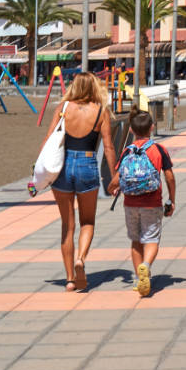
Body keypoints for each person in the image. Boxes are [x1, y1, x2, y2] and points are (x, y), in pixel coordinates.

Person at [48, 74, 118, 292]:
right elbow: (108, 147)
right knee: (87, 221)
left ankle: (69, 279)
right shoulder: (100, 111)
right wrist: (114, 175)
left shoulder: (63, 107)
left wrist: (38, 172)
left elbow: (50, 139)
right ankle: (81, 258)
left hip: (63, 165)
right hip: (87, 165)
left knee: (67, 226)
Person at [118, 108, 176, 297]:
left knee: (136, 241)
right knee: (151, 239)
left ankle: (137, 280)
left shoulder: (127, 150)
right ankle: (146, 265)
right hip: (152, 202)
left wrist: (113, 188)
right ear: (152, 128)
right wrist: (171, 199)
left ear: (132, 130)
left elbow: (118, 175)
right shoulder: (158, 150)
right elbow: (169, 176)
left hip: (130, 203)